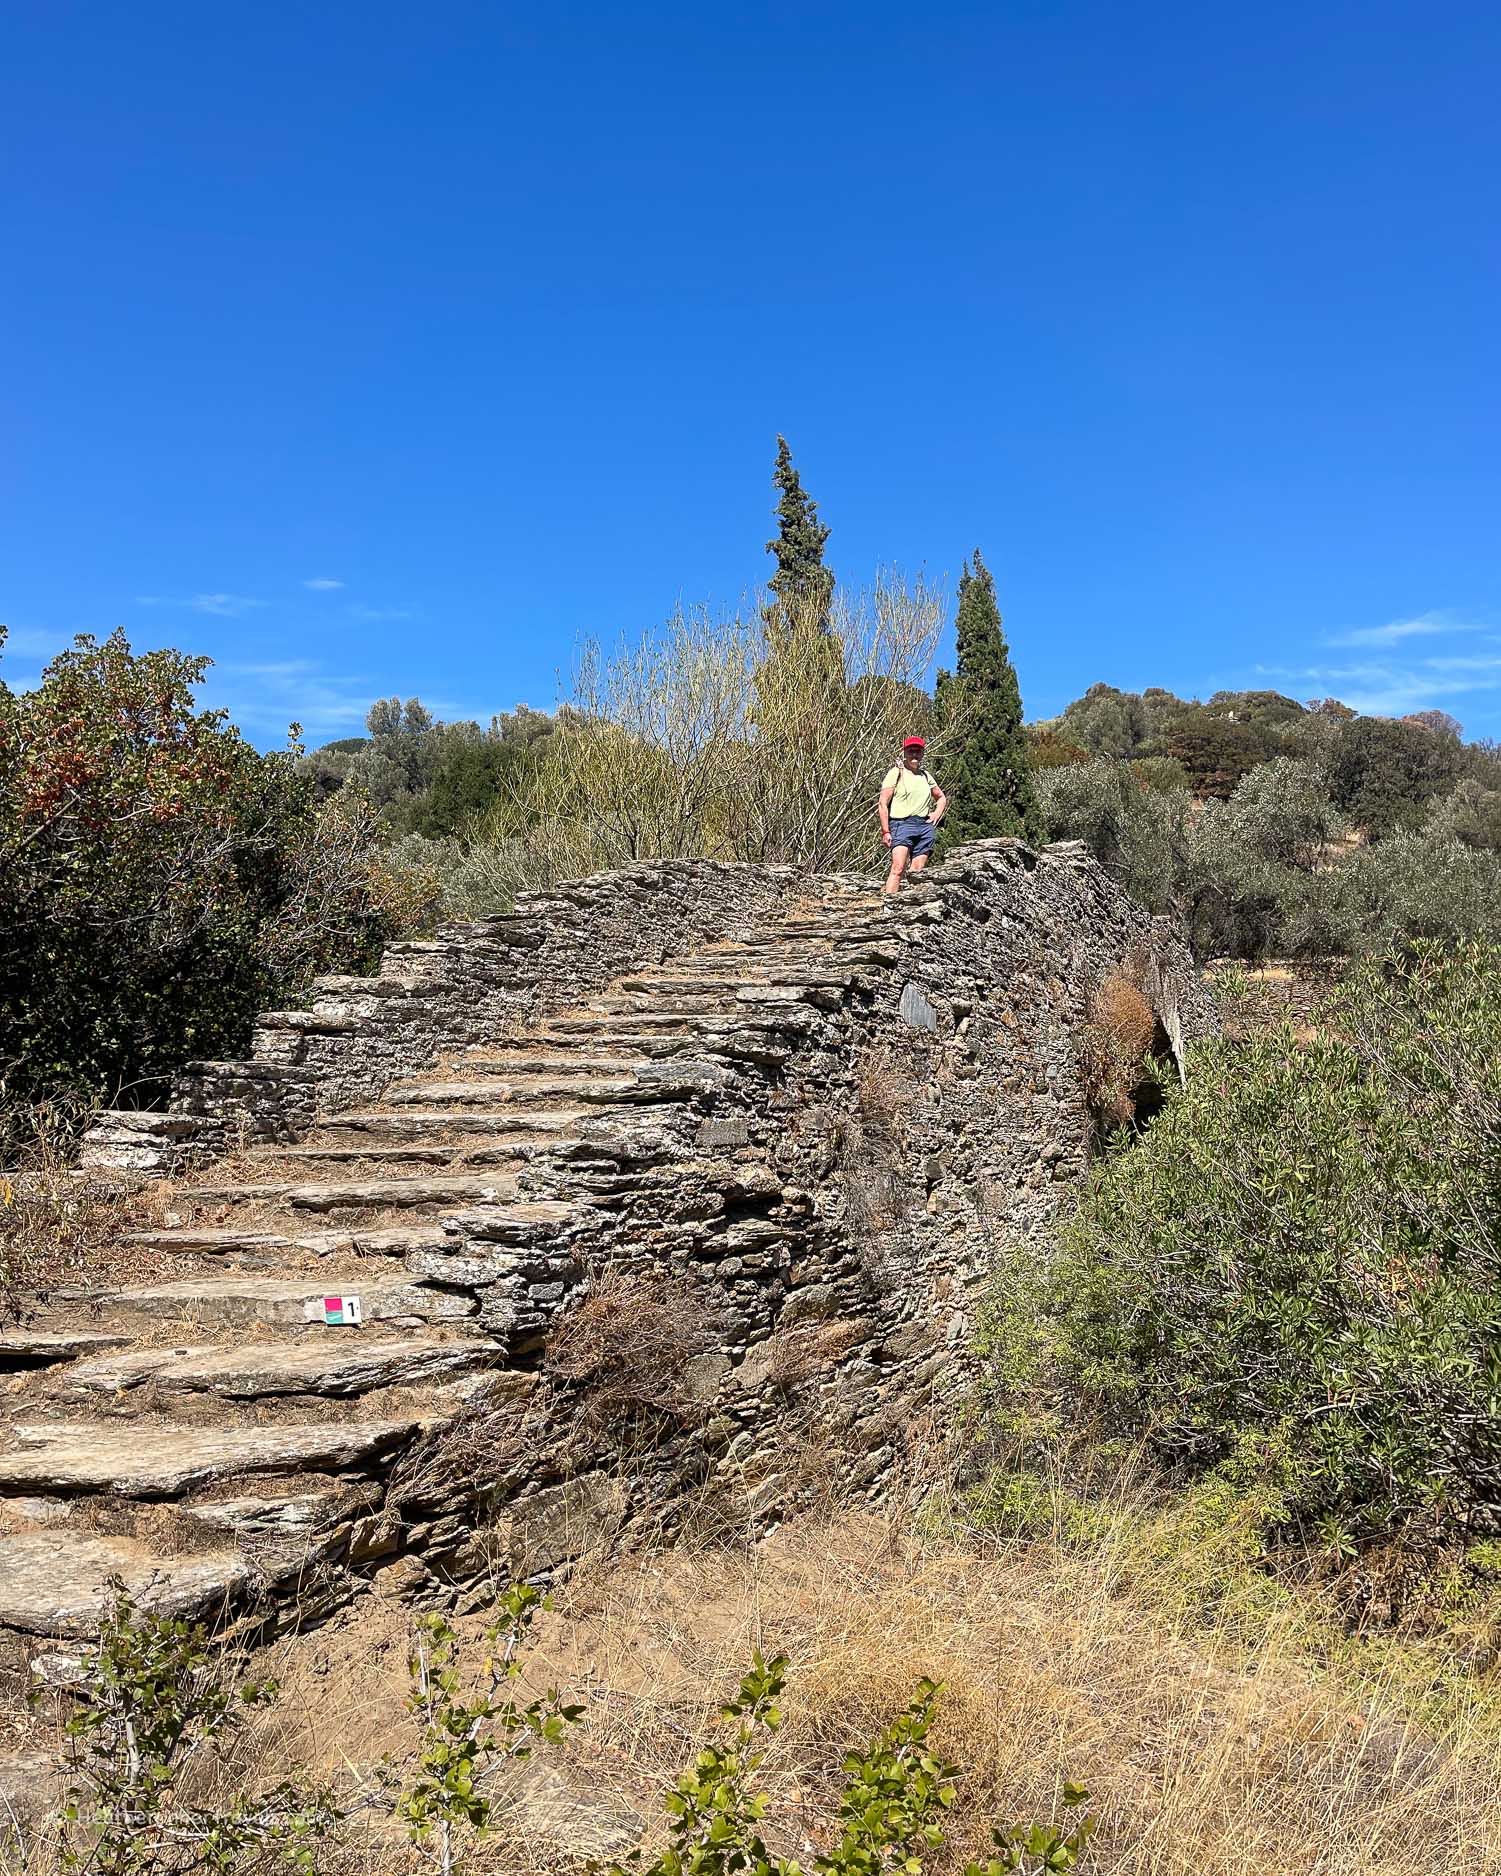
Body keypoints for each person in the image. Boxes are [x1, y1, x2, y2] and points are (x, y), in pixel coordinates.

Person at [879, 736, 947, 895]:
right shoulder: (896, 773)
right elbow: (882, 803)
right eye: (911, 750)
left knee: (916, 872)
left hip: (924, 826)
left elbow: (941, 797)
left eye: (918, 750)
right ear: (905, 752)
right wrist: (885, 831)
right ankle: (888, 908)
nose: (914, 754)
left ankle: (908, 908)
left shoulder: (926, 776)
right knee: (898, 868)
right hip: (901, 824)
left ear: (923, 753)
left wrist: (937, 813)